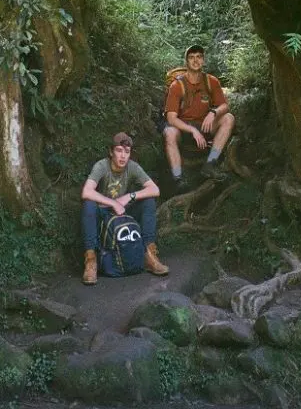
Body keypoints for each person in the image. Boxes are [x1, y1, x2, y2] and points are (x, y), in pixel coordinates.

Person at [81, 131, 169, 285]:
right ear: (111, 152)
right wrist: (113, 202)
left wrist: (130, 196)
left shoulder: (132, 167)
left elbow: (155, 190)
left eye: (126, 152)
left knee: (149, 201)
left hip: (123, 210)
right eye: (119, 151)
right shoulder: (102, 166)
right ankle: (91, 261)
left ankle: (150, 255)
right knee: (89, 204)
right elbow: (86, 191)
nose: (122, 156)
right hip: (103, 212)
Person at [164, 44, 235, 191]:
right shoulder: (177, 85)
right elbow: (171, 118)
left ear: (203, 60)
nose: (195, 60)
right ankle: (178, 178)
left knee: (228, 118)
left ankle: (210, 164)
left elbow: (224, 106)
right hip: (183, 129)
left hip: (204, 125)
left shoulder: (211, 81)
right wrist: (192, 130)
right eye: (191, 57)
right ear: (186, 61)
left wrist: (213, 113)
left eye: (199, 57)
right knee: (169, 132)